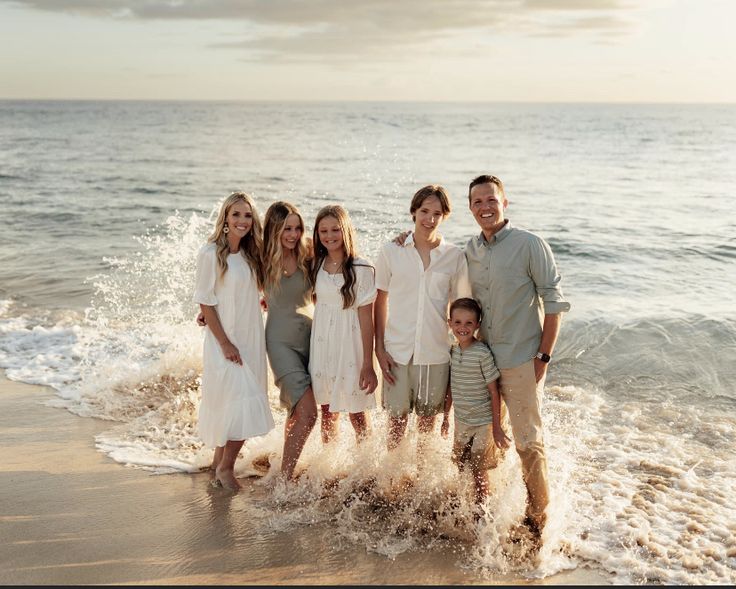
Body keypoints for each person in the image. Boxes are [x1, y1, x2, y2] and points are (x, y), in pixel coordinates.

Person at [464, 174, 570, 540]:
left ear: (504, 202)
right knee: (483, 442)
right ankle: (486, 512)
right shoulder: (470, 250)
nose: (484, 207)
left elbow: (554, 305)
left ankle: (537, 521)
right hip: (484, 363)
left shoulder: (530, 244)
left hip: (522, 360)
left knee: (527, 442)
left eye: (491, 200)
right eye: (477, 202)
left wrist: (543, 356)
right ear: (470, 208)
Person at [374, 184, 471, 451]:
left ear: (444, 217)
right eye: (424, 211)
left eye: (437, 213)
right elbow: (379, 301)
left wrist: (465, 354)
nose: (430, 219)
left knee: (427, 426)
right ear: (414, 212)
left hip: (435, 353)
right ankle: (393, 479)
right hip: (397, 352)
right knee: (395, 423)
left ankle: (419, 481)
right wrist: (378, 349)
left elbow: (461, 308)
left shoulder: (454, 256)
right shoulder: (391, 251)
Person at [192, 192, 275, 491]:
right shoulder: (211, 253)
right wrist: (225, 343)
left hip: (250, 337)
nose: (242, 220)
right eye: (236, 214)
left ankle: (217, 465)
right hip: (224, 341)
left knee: (234, 402)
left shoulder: (252, 255)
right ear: (225, 218)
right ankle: (227, 469)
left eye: (248, 215)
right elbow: (205, 301)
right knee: (241, 400)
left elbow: (253, 289)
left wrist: (261, 299)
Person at [308, 205, 378, 443]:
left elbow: (367, 319)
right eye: (323, 230)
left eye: (335, 230)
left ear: (346, 230)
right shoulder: (315, 264)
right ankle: (329, 467)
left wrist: (368, 363)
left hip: (350, 346)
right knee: (327, 411)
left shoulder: (361, 268)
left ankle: (366, 468)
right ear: (316, 233)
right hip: (322, 345)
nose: (329, 236)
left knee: (357, 413)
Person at [261, 201, 318, 480]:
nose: (294, 234)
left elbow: (343, 255)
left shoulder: (309, 252)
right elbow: (230, 284)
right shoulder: (261, 258)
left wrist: (402, 241)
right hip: (279, 343)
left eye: (297, 228)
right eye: (287, 229)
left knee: (296, 411)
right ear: (275, 229)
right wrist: (207, 311)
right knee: (308, 413)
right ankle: (283, 481)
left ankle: (284, 469)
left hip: (311, 338)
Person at [442, 297, 509, 509]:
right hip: (462, 421)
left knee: (479, 470)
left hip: (484, 422)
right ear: (450, 323)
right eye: (458, 322)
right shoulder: (452, 351)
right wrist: (445, 417)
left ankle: (483, 513)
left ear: (477, 325)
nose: (463, 328)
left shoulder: (482, 353)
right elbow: (451, 387)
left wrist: (497, 428)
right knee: (461, 465)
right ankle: (463, 507)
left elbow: (494, 391)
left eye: (469, 323)